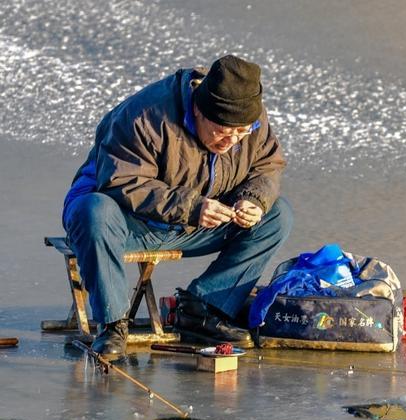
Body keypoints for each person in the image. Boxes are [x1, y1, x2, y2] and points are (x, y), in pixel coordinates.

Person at [62, 55, 293, 355]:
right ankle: (113, 324)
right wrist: (193, 207)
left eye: (241, 132)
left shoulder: (250, 120)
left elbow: (267, 166)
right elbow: (121, 182)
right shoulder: (144, 116)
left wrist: (253, 201)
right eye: (223, 131)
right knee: (92, 210)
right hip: (126, 220)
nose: (232, 141)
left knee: (277, 215)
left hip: (193, 223)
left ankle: (203, 308)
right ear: (198, 109)